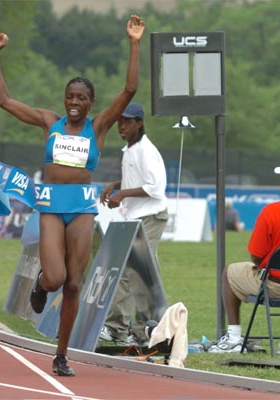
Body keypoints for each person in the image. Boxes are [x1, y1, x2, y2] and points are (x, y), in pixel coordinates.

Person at [0, 15, 145, 376]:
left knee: (74, 283)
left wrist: (134, 43)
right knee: (57, 278)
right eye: (70, 97)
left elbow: (130, 90)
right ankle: (42, 285)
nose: (74, 102)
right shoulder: (48, 122)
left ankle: (61, 355)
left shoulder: (99, 126)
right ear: (64, 100)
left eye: (81, 98)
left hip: (82, 207)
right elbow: (4, 100)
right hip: (51, 205)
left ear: (91, 103)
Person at [208, 158, 280, 354]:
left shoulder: (272, 211)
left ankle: (234, 338)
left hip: (275, 286)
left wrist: (265, 267)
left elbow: (256, 255)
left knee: (229, 271)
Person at [98, 102, 168, 347]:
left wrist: (123, 193)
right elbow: (138, 178)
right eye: (119, 121)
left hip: (150, 215)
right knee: (126, 272)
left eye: (127, 121)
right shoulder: (130, 148)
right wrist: (116, 185)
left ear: (139, 122)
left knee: (140, 274)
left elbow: (155, 187)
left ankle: (141, 330)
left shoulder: (146, 150)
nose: (122, 126)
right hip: (135, 217)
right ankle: (120, 328)